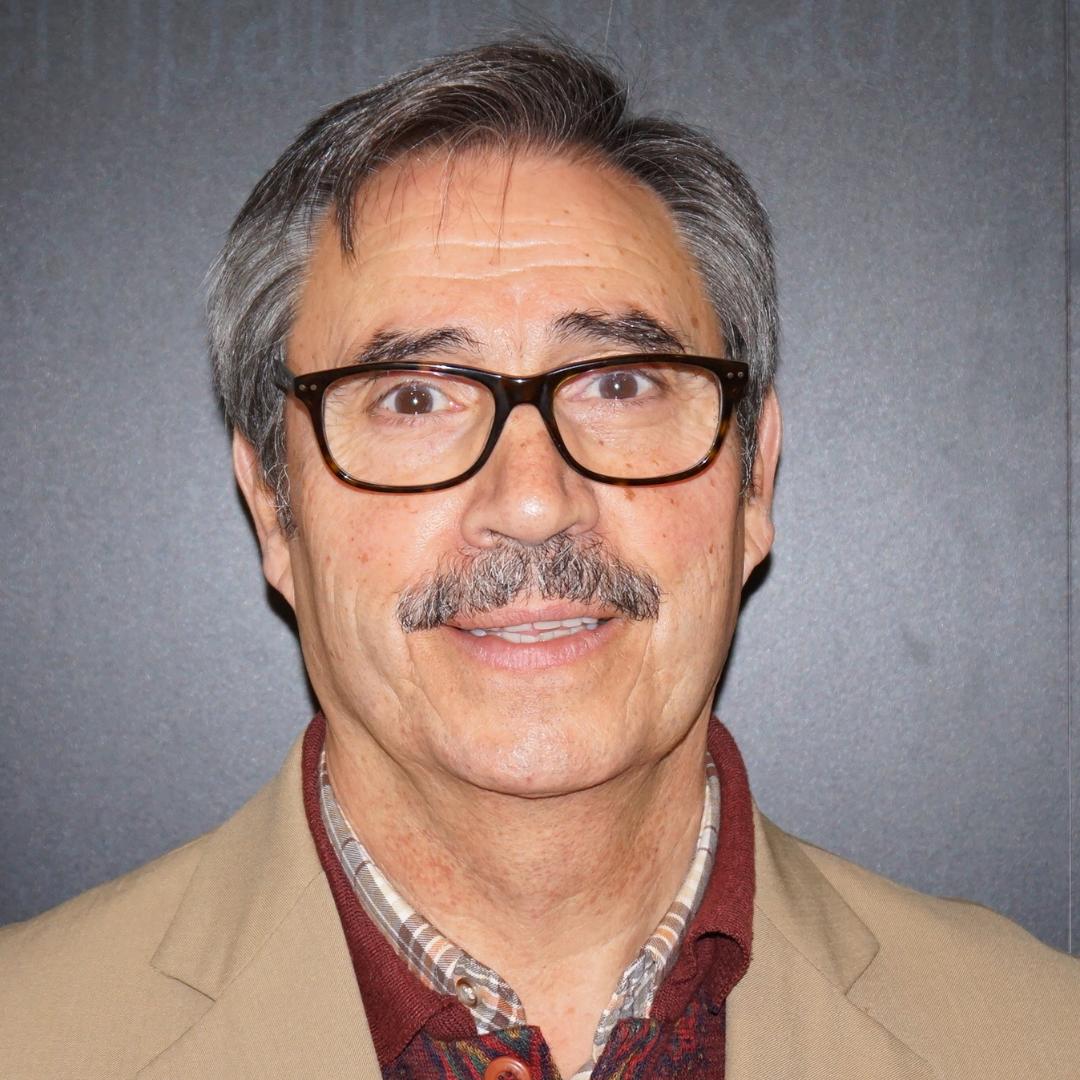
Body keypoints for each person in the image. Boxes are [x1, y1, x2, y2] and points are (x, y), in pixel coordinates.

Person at [1, 37, 1076, 1080]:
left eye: (620, 383)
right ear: (274, 512)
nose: (529, 500)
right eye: (413, 398)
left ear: (754, 481)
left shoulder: (1039, 1038)